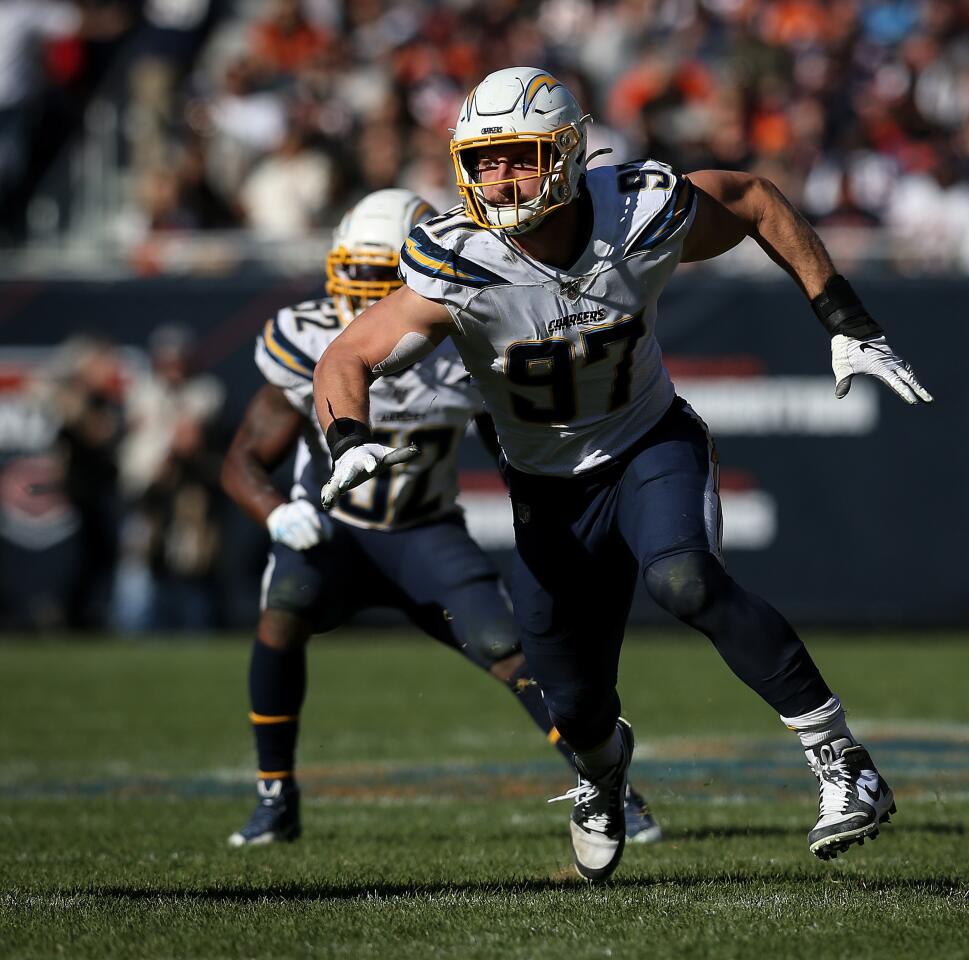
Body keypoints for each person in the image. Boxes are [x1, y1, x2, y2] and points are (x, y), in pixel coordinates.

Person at [313, 69, 932, 881]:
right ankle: (601, 778)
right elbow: (349, 352)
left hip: (647, 445)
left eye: (522, 157)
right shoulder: (457, 258)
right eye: (484, 161)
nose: (500, 179)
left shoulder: (637, 210)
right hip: (546, 492)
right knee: (573, 705)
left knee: (684, 580)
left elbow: (751, 199)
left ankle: (841, 761)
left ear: (568, 154)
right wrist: (348, 436)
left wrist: (843, 316)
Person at [221, 187, 661, 847]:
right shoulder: (310, 339)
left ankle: (608, 785)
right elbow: (241, 461)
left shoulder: (467, 345)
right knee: (284, 602)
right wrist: (278, 513)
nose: (364, 296)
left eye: (381, 279)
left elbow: (518, 450)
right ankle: (274, 795)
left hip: (425, 532)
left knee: (512, 651)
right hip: (334, 531)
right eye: (355, 276)